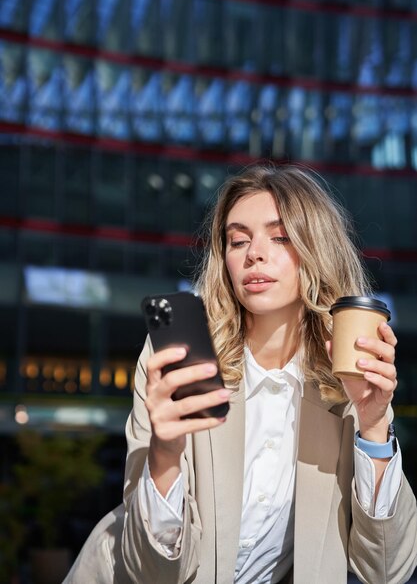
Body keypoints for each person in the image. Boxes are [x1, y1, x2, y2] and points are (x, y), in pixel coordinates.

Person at [64, 164, 417, 584]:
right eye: (238, 240)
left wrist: (375, 426)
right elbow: (153, 571)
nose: (254, 253)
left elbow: (387, 569)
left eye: (280, 236)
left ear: (316, 248)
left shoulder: (348, 380)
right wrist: (164, 455)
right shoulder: (179, 358)